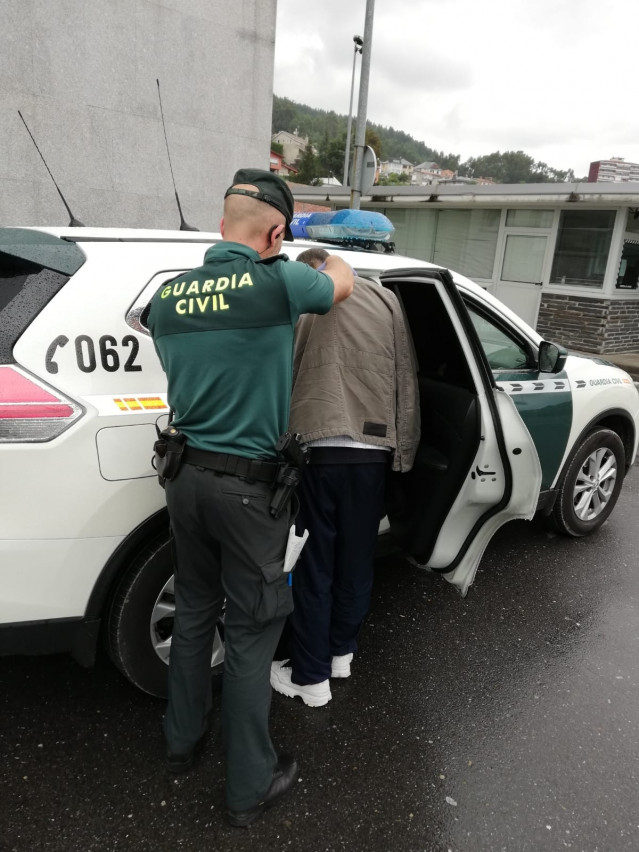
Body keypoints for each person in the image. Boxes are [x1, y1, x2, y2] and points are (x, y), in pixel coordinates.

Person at [146, 171, 354, 827]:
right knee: (250, 635)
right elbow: (338, 286)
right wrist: (327, 254)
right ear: (275, 233)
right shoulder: (281, 281)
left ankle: (181, 743)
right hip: (248, 493)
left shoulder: (168, 296)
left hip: (183, 481)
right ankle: (248, 785)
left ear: (218, 229)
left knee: (193, 614)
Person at [270, 247, 420, 707]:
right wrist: (404, 452)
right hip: (374, 452)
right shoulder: (386, 301)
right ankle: (340, 655)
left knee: (313, 567)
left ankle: (310, 678)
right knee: (356, 561)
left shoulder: (301, 301)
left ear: (311, 269)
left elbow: (281, 372)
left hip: (318, 450)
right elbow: (405, 374)